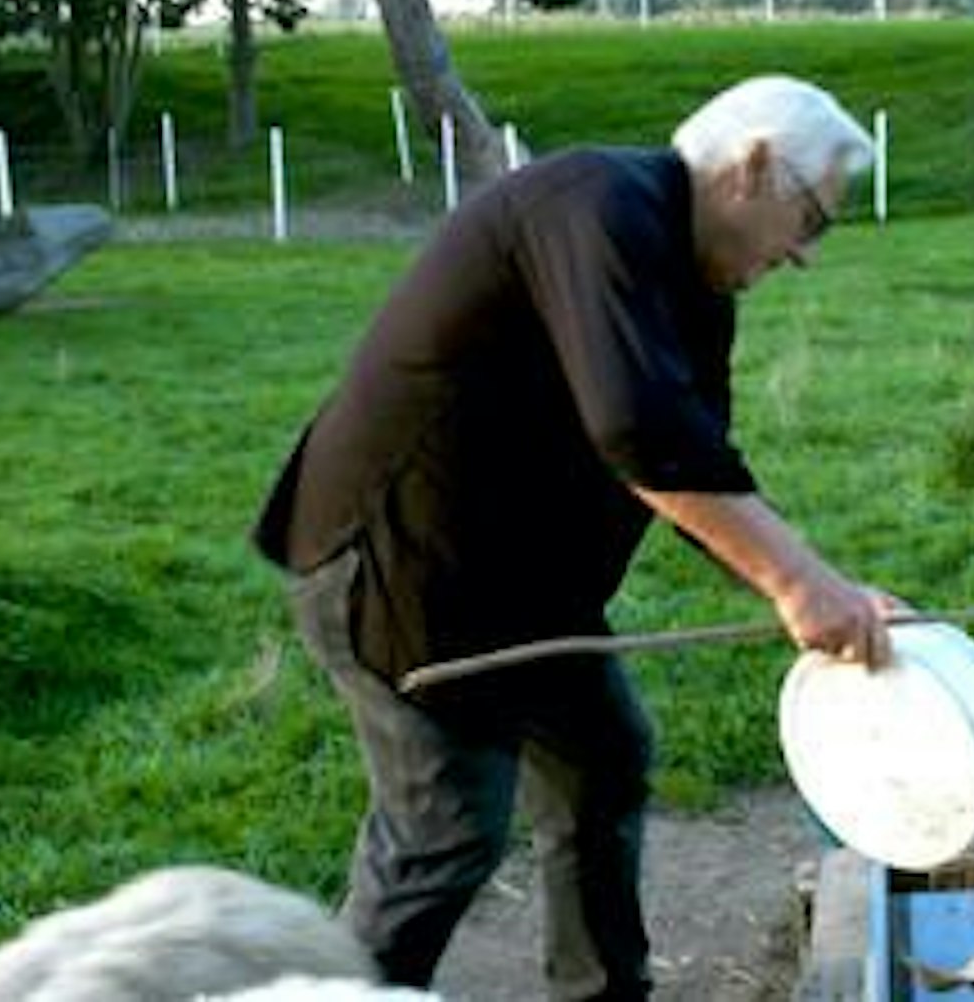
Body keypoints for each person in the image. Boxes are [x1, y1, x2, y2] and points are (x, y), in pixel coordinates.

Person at [252, 74, 898, 1000]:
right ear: (753, 167)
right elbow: (639, 426)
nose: (805, 254)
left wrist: (818, 590)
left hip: (517, 589)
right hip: (399, 564)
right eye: (812, 220)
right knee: (443, 835)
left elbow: (694, 460)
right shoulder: (596, 204)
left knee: (601, 758)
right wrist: (798, 582)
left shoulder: (698, 288)